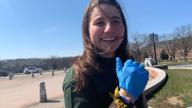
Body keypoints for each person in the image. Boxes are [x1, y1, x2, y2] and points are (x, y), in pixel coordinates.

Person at [63, 0, 149, 108]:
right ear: (87, 30)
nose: (109, 28)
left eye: (116, 21)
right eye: (100, 22)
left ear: (124, 27)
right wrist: (124, 97)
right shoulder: (77, 78)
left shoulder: (128, 61)